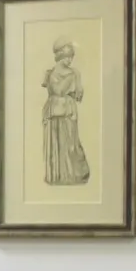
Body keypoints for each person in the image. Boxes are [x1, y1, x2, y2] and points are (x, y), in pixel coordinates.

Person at [42, 37, 91, 186]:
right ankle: (58, 176)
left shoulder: (74, 73)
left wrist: (75, 84)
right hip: (53, 110)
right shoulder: (50, 73)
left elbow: (78, 95)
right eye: (67, 56)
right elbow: (57, 90)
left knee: (71, 142)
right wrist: (72, 78)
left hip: (67, 110)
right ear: (60, 56)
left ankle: (72, 175)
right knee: (56, 143)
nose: (70, 60)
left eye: (72, 57)